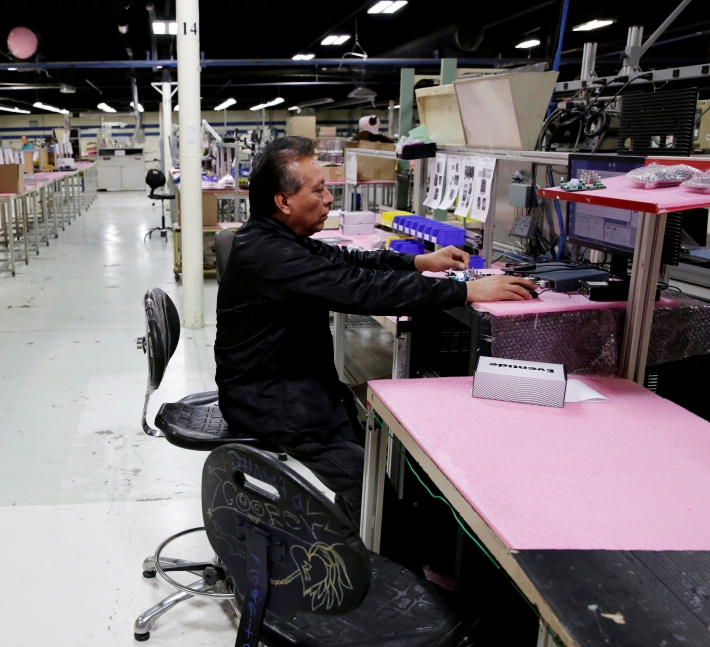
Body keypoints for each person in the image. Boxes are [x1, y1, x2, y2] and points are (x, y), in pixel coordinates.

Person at [214, 136, 536, 526]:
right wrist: (466, 290)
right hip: (273, 402)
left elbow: (348, 261)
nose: (330, 199)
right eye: (318, 190)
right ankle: (375, 567)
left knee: (361, 438)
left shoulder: (277, 238)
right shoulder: (271, 255)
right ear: (283, 202)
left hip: (288, 383)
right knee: (376, 490)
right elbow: (360, 290)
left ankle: (359, 532)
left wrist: (418, 261)